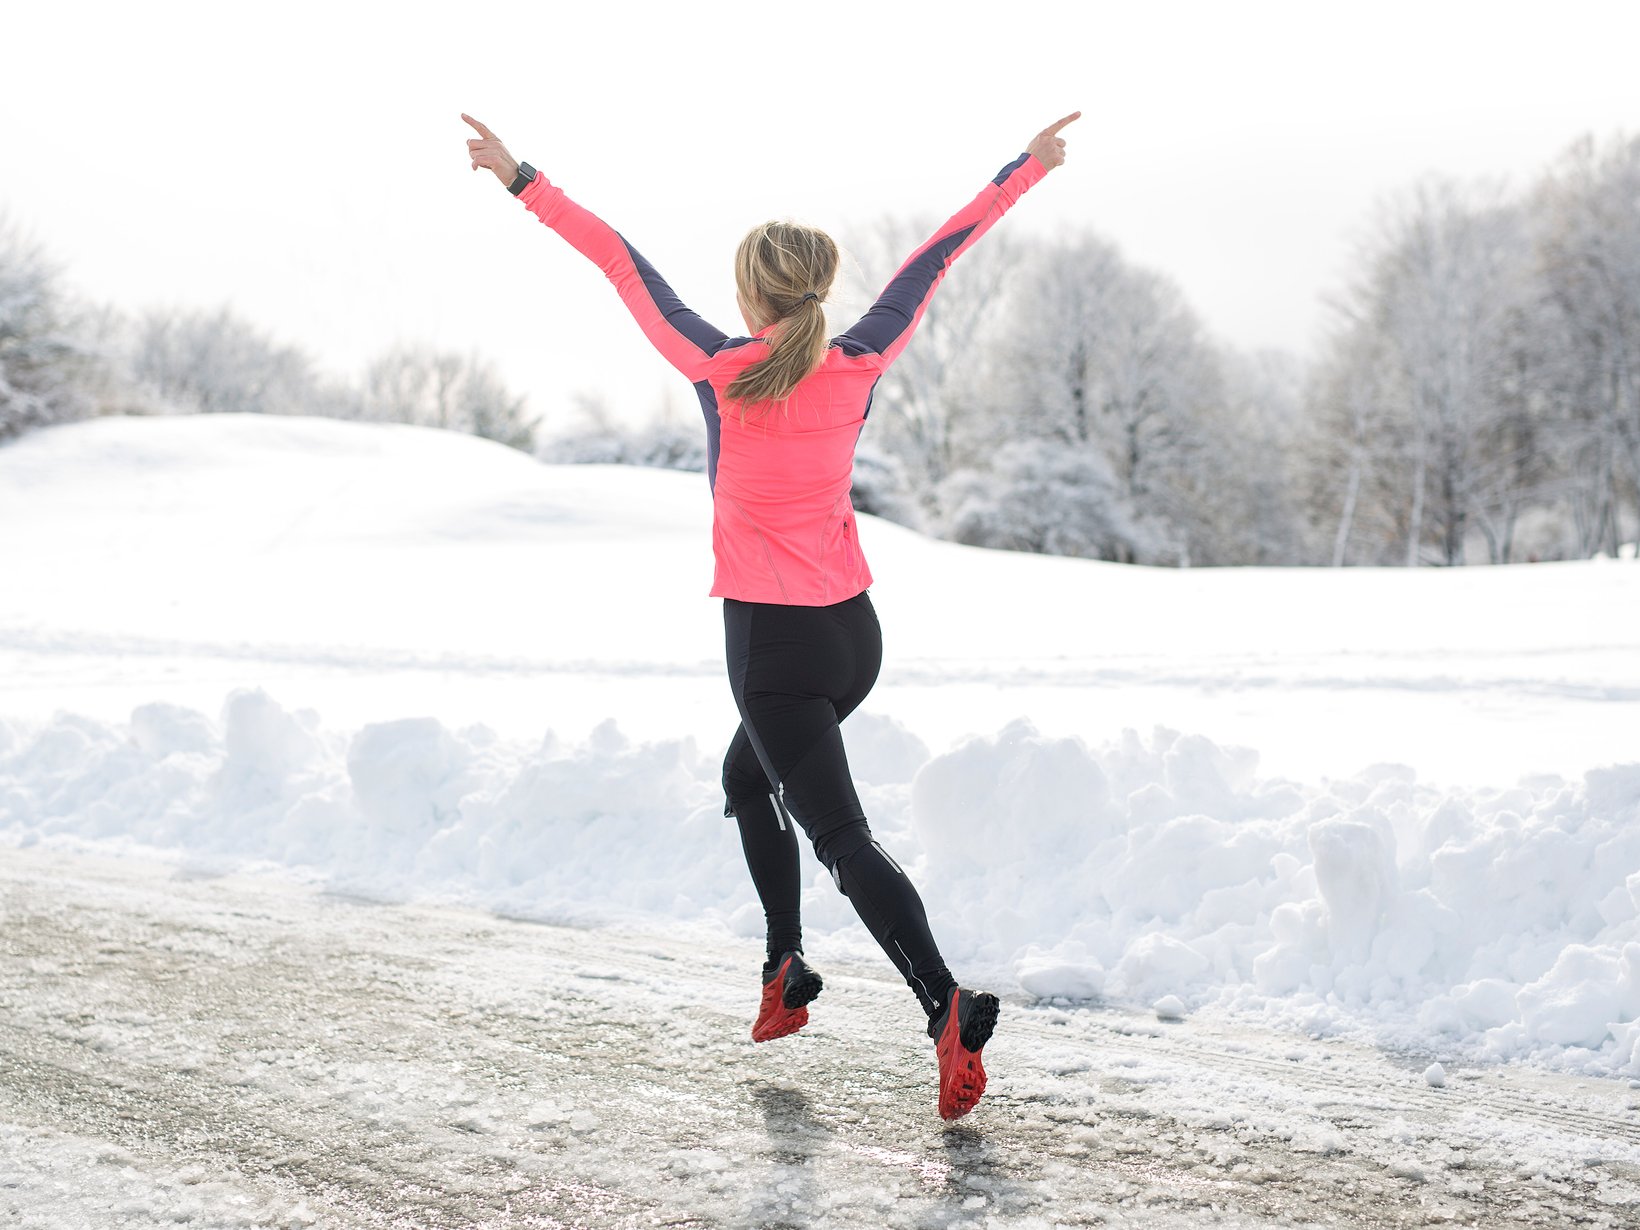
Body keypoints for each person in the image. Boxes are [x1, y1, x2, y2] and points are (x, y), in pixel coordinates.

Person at [463, 110, 1077, 1119]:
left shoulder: (720, 371)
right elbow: (931, 263)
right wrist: (1024, 172)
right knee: (747, 780)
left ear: (750, 294)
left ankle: (944, 1005)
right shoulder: (859, 362)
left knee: (839, 837)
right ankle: (783, 969)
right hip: (851, 637)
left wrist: (519, 177)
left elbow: (623, 266)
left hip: (774, 650)